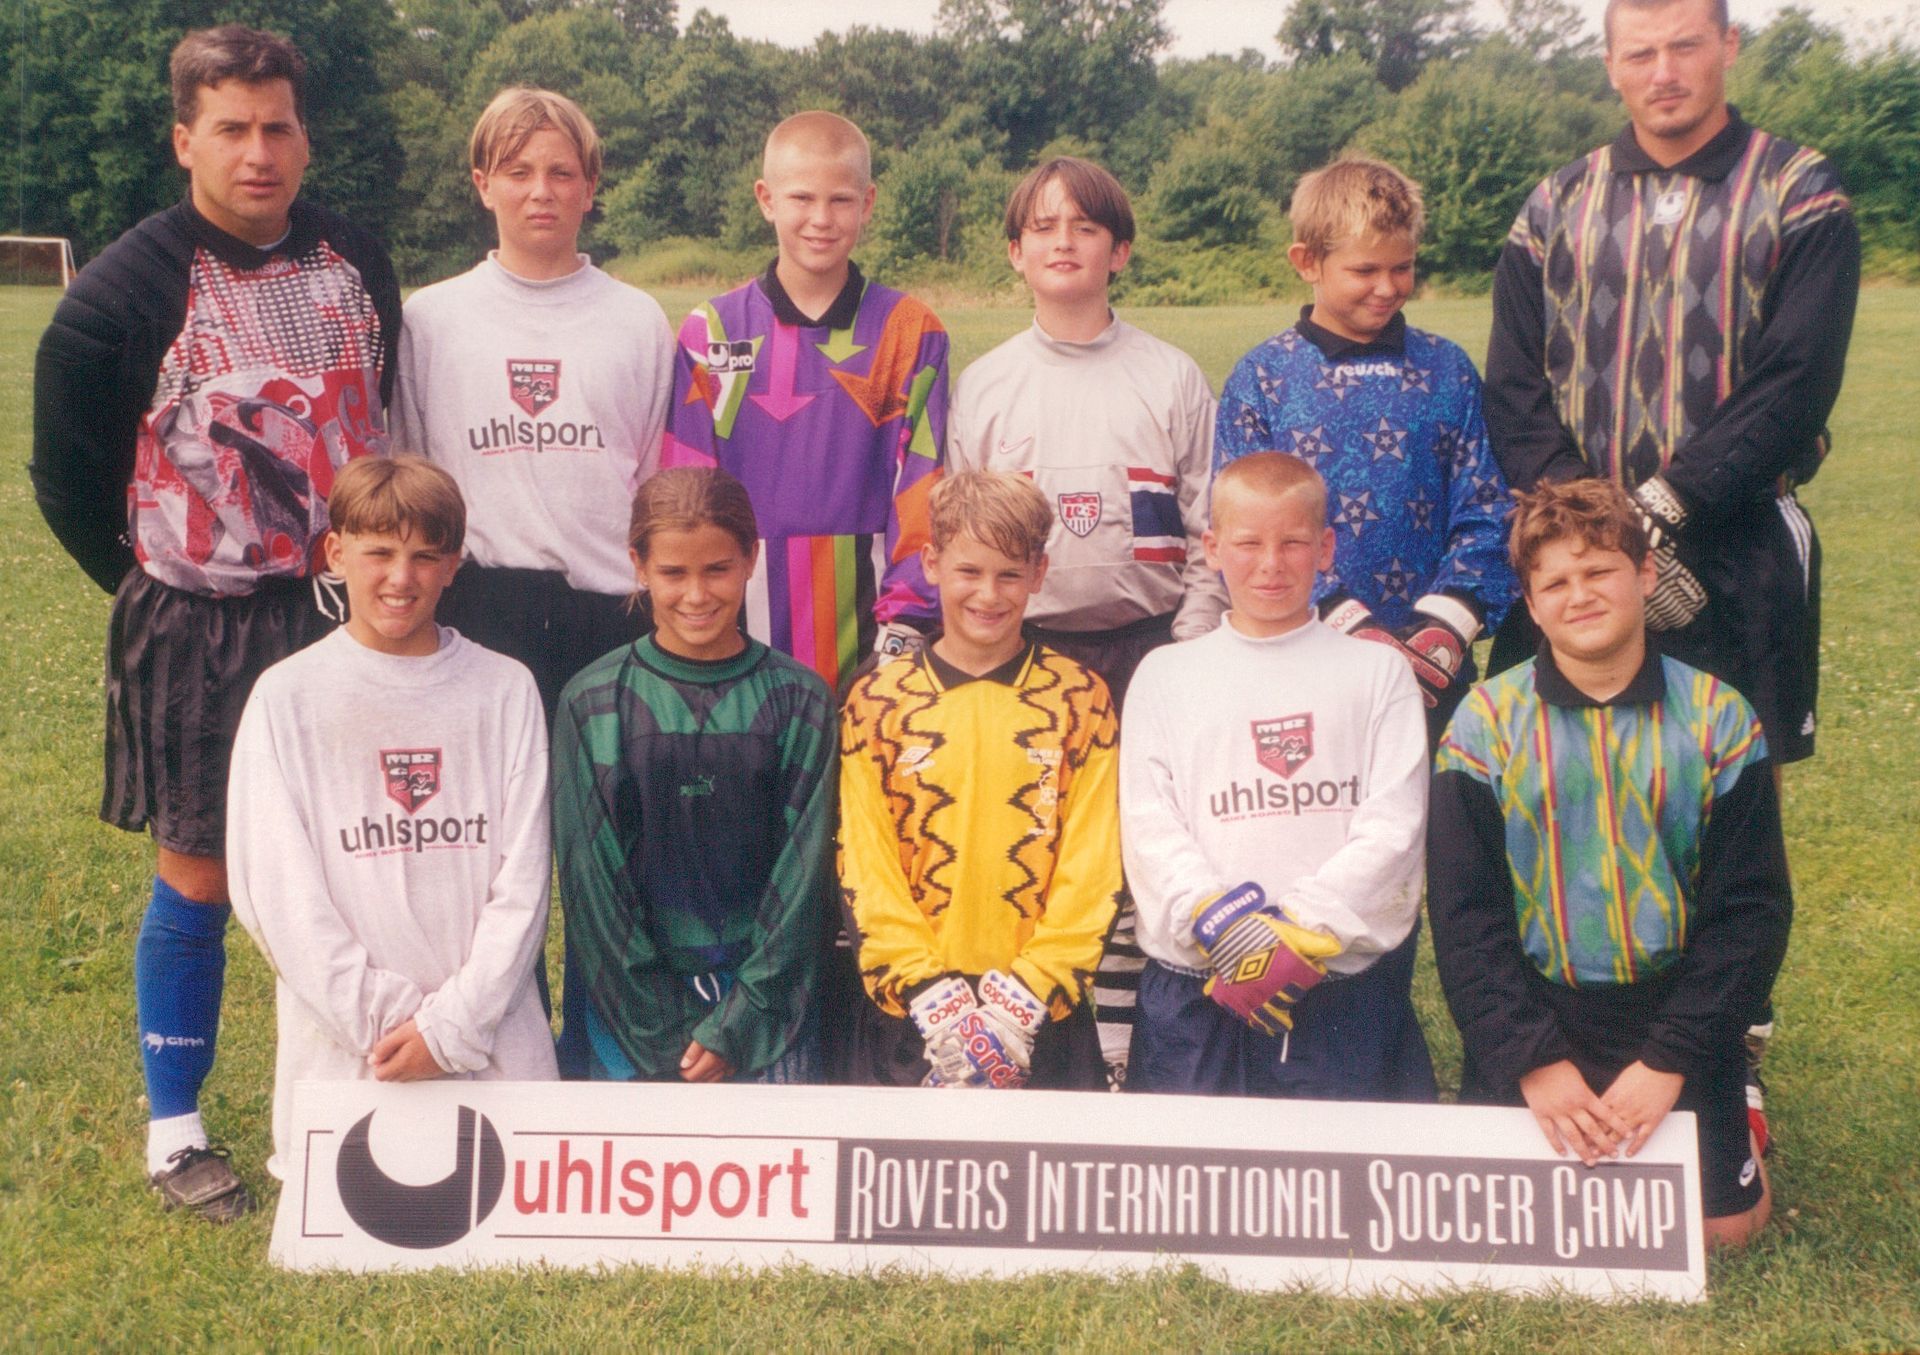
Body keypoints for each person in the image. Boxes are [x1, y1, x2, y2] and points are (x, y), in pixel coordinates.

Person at [28, 24, 401, 1221]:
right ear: (184, 138)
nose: (258, 153)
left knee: (362, 857)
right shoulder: (122, 290)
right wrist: (162, 583)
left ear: (305, 137)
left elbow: (377, 411)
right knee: (200, 872)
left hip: (342, 613)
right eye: (231, 128)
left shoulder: (354, 258)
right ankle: (175, 1127)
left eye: (277, 126)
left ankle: (366, 1083)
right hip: (202, 624)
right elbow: (67, 480)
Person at [1482, 0, 1858, 1123]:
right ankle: (1568, 1026)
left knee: (1729, 795)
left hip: (1733, 542)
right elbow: (1514, 381)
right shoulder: (1555, 204)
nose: (1664, 71)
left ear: (1729, 47)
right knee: (1563, 773)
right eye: (1639, 52)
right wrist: (1596, 525)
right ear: (1609, 64)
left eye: (1686, 44)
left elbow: (1798, 377)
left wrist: (1664, 506)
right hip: (1579, 550)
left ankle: (1730, 1045)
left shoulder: (1800, 190)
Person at [391, 85, 675, 1079]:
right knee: (488, 855)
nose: (540, 190)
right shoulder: (432, 319)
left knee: (613, 853)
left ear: (592, 187)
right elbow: (413, 470)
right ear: (483, 183)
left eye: (561, 171)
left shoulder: (637, 320)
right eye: (518, 171)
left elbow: (655, 476)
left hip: (607, 612)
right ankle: (504, 1055)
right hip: (481, 606)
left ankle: (603, 1057)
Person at [1427, 478, 1789, 1249]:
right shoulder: (1483, 725)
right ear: (1531, 604)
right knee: (1500, 1225)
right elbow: (1464, 915)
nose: (1580, 594)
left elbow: (1751, 910)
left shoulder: (1721, 718)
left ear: (1646, 574)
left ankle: (1737, 1105)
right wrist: (1534, 1062)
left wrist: (1670, 1060)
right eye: (1556, 581)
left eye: (1599, 571)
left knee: (1723, 1233)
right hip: (1539, 1008)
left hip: (1671, 1009)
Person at [946, 155, 1226, 1087]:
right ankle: (1049, 1038)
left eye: (1086, 226)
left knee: (1142, 846)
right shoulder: (989, 382)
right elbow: (965, 530)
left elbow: (1205, 520)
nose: (1063, 241)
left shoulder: (1171, 375)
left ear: (1121, 250)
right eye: (1043, 227)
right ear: (1015, 252)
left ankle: (1130, 1044)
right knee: (1043, 843)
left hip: (1151, 644)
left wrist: (1189, 645)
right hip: (1030, 649)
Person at [228, 456, 559, 1184]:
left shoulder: (506, 689)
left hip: (491, 1045)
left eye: (425, 556)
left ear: (454, 565)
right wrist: (387, 1019)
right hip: (355, 1053)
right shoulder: (287, 698)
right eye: (378, 552)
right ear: (335, 552)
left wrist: (452, 1027)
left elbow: (526, 883)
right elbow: (276, 893)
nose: (400, 578)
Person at [1121, 453, 1434, 1101]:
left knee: (1339, 1166)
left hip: (1336, 993)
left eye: (1293, 542)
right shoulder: (1165, 675)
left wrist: (1296, 929)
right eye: (1248, 543)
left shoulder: (1377, 672)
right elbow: (1149, 825)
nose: (1271, 563)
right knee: (1192, 1166)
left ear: (1326, 548)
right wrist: (1220, 922)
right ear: (1212, 548)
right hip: (1199, 992)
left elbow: (1394, 826)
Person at [1215, 156, 1517, 752]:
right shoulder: (1263, 378)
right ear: (1307, 262)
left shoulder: (1448, 369)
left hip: (1434, 673)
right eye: (1364, 270)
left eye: (1402, 268)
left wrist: (1448, 622)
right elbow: (1242, 525)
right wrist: (1345, 623)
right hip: (1299, 659)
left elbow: (1487, 505)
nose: (1387, 287)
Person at [551, 468, 838, 1085]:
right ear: (638, 565)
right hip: (628, 1014)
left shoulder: (800, 701)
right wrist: (662, 1032)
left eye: (717, 569)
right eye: (673, 573)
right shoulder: (593, 701)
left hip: (768, 1011)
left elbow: (806, 876)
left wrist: (744, 1020)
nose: (697, 594)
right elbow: (591, 884)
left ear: (751, 558)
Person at [838, 471, 1121, 1090]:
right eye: (969, 571)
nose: (988, 595)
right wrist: (924, 990)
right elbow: (865, 859)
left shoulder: (1080, 699)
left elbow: (1094, 864)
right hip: (913, 1020)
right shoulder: (878, 700)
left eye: (1009, 575)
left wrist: (1028, 997)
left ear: (1039, 573)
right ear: (932, 563)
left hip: (1040, 1021)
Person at [664, 110, 948, 698]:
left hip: (875, 638)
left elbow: (924, 486)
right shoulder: (710, 330)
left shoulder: (911, 331)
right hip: (734, 627)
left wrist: (906, 625)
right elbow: (683, 494)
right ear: (766, 199)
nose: (821, 219)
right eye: (801, 198)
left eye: (840, 200)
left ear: (868, 204)